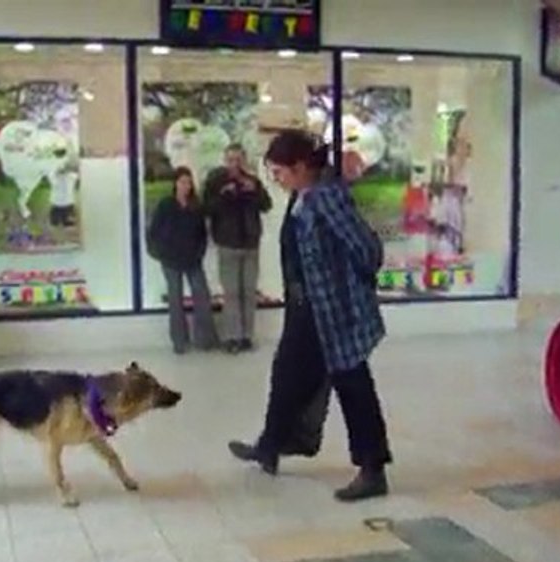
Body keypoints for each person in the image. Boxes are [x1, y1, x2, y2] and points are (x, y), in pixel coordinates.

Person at [228, 130, 392, 502]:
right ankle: (270, 446)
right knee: (287, 373)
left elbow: (368, 249)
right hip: (305, 309)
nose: (277, 180)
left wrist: (350, 286)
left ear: (301, 167)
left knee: (354, 385)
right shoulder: (301, 197)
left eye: (280, 172)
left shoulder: (327, 198)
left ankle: (372, 469)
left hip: (334, 312)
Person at [204, 143, 272, 354]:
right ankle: (231, 336)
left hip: (250, 243)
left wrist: (254, 192)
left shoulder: (252, 181)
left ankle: (246, 336)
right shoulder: (216, 181)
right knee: (231, 292)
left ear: (244, 160)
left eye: (238, 159)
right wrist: (224, 195)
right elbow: (206, 208)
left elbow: (266, 205)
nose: (235, 164)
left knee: (248, 292)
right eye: (231, 159)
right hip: (227, 243)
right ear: (225, 160)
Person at [147, 167, 218, 354]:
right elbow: (153, 231)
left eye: (188, 182)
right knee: (175, 299)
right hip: (170, 259)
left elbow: (202, 234)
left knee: (202, 296)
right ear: (175, 184)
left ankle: (205, 338)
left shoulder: (196, 207)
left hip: (193, 258)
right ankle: (179, 341)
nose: (185, 186)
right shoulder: (165, 205)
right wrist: (158, 252)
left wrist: (200, 252)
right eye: (182, 182)